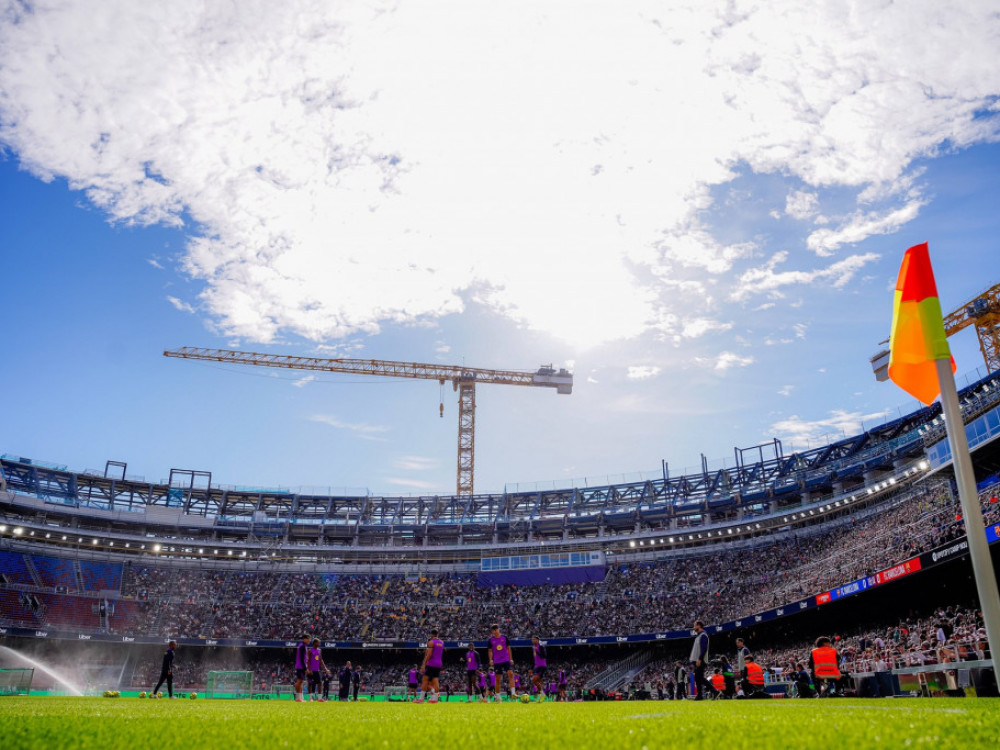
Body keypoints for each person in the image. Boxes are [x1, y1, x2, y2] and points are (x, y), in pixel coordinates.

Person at [416, 628, 445, 704]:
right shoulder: (442, 642)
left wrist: (423, 665)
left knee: (425, 680)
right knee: (436, 681)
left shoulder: (431, 642)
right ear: (437, 634)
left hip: (431, 663)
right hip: (438, 664)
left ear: (431, 634)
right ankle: (434, 699)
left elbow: (429, 654)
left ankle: (421, 698)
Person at [488, 624, 516, 700]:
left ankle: (513, 693)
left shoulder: (504, 638)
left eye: (496, 629)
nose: (495, 631)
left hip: (506, 659)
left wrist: (511, 659)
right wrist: (491, 659)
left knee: (510, 674)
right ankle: (497, 696)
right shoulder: (491, 640)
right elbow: (490, 651)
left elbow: (508, 648)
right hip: (497, 661)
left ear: (498, 629)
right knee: (498, 679)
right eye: (493, 630)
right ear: (492, 631)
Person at [689, 621, 710, 700]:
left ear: (699, 626)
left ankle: (714, 691)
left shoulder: (703, 635)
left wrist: (699, 659)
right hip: (697, 660)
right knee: (698, 678)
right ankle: (700, 695)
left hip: (700, 660)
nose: (693, 627)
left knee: (699, 678)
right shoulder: (699, 636)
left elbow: (704, 649)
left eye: (694, 626)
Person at [293, 634, 310, 703]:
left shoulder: (302, 646)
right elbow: (302, 658)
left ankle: (300, 698)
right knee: (299, 682)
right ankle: (298, 698)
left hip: (300, 666)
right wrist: (305, 668)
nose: (309, 640)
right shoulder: (302, 646)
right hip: (301, 666)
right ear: (304, 639)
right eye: (308, 639)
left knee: (300, 682)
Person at [530, 636, 548, 701]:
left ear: (537, 640)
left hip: (542, 666)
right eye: (532, 639)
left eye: (534, 639)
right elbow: (534, 658)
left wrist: (537, 651)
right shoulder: (534, 647)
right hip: (537, 667)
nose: (533, 641)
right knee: (539, 682)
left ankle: (543, 694)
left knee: (534, 680)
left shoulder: (540, 646)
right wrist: (531, 668)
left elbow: (544, 655)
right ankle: (541, 697)